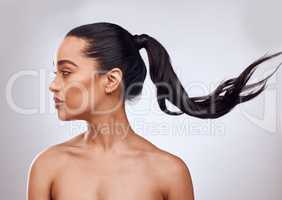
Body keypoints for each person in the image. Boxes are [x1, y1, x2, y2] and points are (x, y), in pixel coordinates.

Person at [27, 22, 281, 200]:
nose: (53, 85)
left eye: (66, 72)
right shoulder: (48, 166)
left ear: (111, 80)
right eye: (55, 73)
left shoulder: (169, 172)